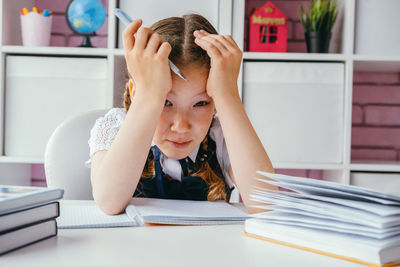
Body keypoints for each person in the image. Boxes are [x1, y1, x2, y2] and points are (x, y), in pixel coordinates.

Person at [87, 14, 274, 215]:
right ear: (135, 93)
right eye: (166, 102)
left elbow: (266, 205)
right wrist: (149, 95)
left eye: (201, 103)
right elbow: (109, 202)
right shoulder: (115, 127)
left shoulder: (221, 138)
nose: (181, 126)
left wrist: (227, 94)